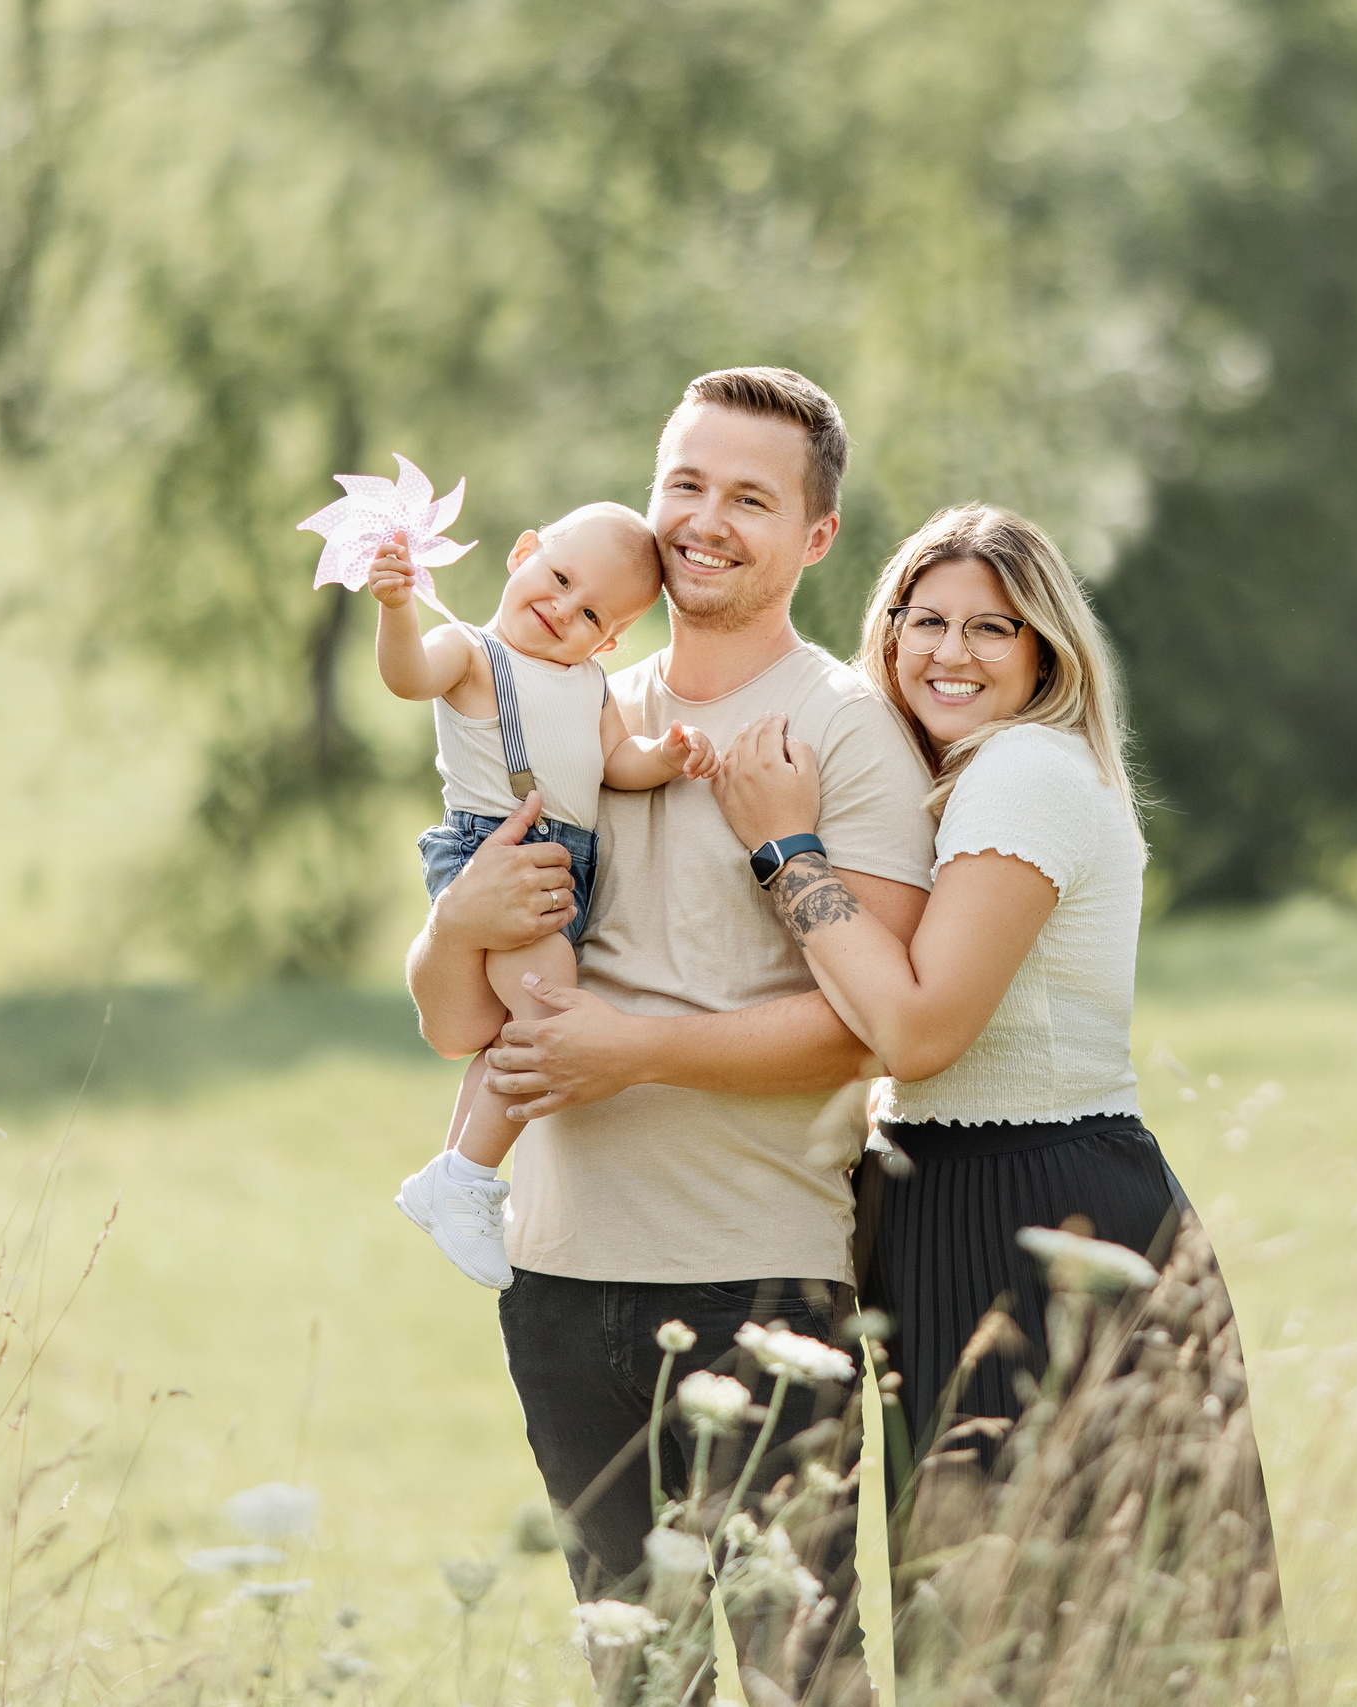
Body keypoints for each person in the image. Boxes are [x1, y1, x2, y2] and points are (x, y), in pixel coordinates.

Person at [402, 369, 936, 1621]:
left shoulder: (846, 730)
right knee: (638, 1673)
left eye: (749, 496)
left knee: (803, 1666)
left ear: (815, 538)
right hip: (555, 1274)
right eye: (685, 483)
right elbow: (456, 1024)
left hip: (755, 1283)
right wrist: (451, 925)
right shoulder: (569, 694)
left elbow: (865, 1033)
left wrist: (629, 1051)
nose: (704, 518)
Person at [706, 503, 1282, 1545]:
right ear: (888, 634)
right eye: (925, 621)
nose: (950, 653)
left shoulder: (1022, 775)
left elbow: (920, 1035)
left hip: (1035, 1207)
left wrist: (784, 849)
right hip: (946, 1197)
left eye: (991, 627)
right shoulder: (958, 783)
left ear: (1044, 650)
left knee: (1032, 1612)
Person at [368, 502, 718, 1289]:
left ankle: (451, 1173)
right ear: (522, 551)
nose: (562, 608)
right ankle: (468, 1178)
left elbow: (615, 763)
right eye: (557, 577)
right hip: (496, 856)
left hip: (565, 867)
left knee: (514, 1029)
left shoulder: (589, 683)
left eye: (589, 610)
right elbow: (406, 676)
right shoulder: (470, 651)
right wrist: (396, 609)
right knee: (552, 1017)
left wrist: (666, 754)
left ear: (610, 640)